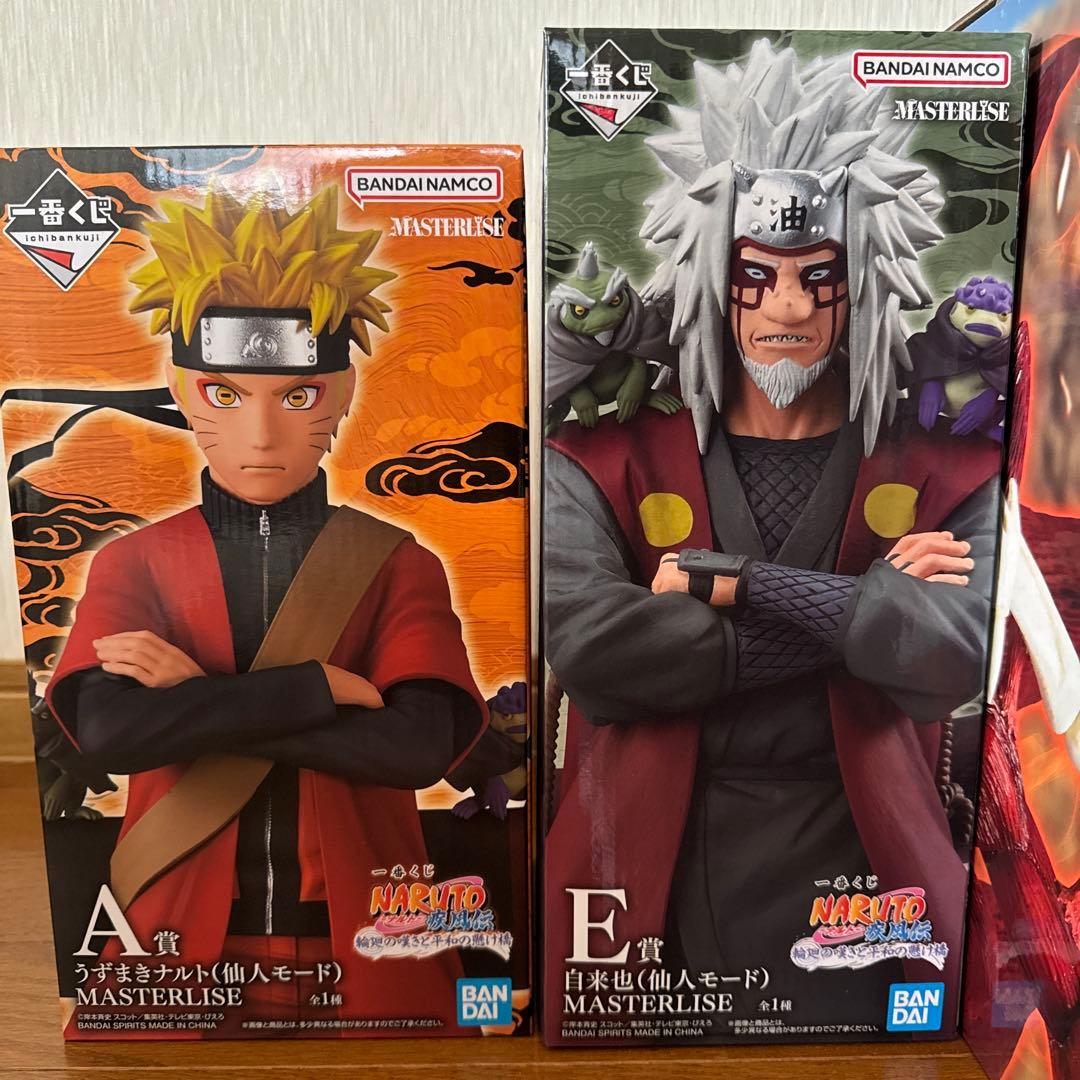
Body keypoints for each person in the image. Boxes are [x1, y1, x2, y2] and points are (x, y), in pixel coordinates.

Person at [543, 40, 1002, 1036]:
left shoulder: (951, 461)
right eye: (758, 274)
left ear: (863, 272)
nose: (789, 307)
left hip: (876, 876)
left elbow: (952, 655)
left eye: (817, 275)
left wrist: (733, 584)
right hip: (644, 881)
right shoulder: (600, 451)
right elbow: (593, 655)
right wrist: (867, 611)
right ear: (711, 270)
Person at [46, 185, 487, 1036]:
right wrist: (315, 689)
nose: (259, 436)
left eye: (296, 397)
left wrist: (195, 699)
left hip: (374, 946)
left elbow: (415, 747)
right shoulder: (134, 561)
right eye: (224, 395)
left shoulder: (397, 561)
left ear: (343, 391)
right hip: (169, 943)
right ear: (180, 387)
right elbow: (108, 733)